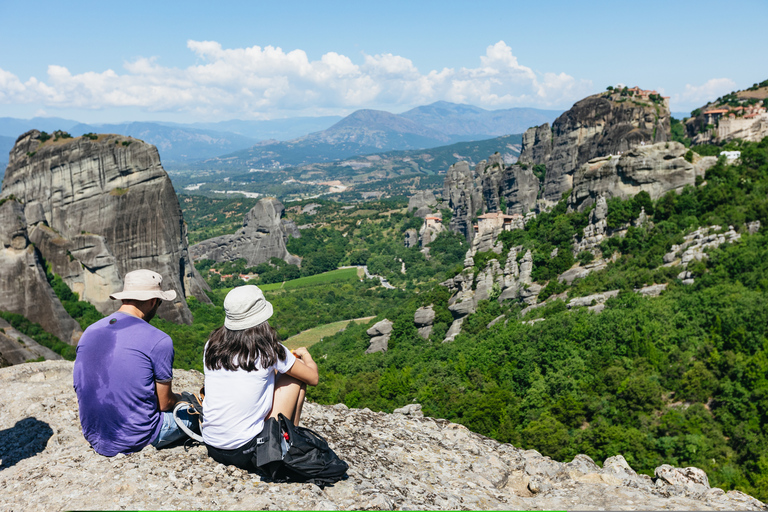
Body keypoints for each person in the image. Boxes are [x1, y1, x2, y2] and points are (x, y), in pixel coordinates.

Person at [73, 269, 198, 456]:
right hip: (137, 437)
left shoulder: (90, 331)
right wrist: (183, 399)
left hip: (95, 434)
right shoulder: (159, 340)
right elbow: (164, 404)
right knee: (201, 414)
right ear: (154, 301)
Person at [202, 285, 319, 470]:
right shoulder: (269, 349)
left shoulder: (211, 345)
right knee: (297, 379)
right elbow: (313, 378)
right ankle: (291, 445)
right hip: (246, 452)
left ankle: (289, 439)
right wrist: (305, 356)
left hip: (213, 445)